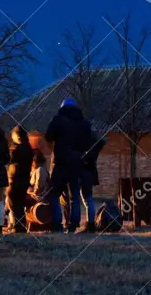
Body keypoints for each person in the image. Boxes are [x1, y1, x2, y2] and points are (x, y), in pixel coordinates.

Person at [42, 99, 90, 233]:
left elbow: (48, 136)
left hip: (61, 162)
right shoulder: (83, 122)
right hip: (76, 162)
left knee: (54, 194)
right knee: (75, 194)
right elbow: (88, 144)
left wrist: (54, 149)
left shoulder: (58, 120)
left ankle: (57, 224)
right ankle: (73, 224)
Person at [78, 133, 108, 233]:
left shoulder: (90, 148)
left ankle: (90, 225)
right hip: (89, 174)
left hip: (86, 174)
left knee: (87, 200)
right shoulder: (94, 147)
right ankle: (90, 224)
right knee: (87, 199)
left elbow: (86, 160)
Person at [7, 126, 34, 233]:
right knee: (20, 202)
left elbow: (9, 160)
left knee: (13, 201)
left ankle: (19, 226)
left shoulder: (15, 149)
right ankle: (21, 225)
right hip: (25, 178)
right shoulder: (28, 148)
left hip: (15, 178)